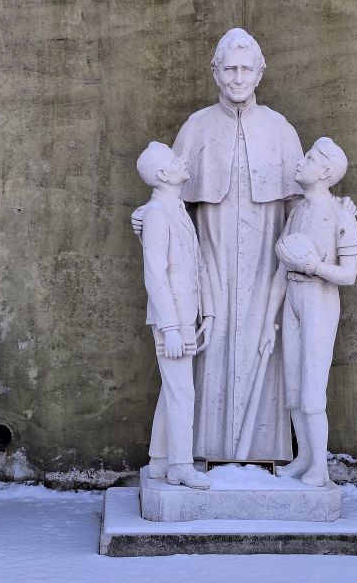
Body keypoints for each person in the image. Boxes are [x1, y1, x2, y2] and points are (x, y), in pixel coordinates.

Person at [133, 29, 357, 461]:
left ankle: (260, 454)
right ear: (215, 73)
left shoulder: (280, 129)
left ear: (260, 74)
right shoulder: (196, 127)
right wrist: (145, 216)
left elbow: (304, 200)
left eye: (246, 69)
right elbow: (168, 198)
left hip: (264, 259)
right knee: (208, 344)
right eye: (230, 69)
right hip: (211, 258)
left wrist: (339, 208)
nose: (238, 78)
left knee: (263, 344)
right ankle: (195, 453)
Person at [259, 138, 357, 486]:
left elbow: (348, 275)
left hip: (319, 300)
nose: (301, 162)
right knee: (293, 386)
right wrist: (268, 320)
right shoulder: (298, 211)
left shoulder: (341, 215)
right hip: (292, 299)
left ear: (327, 172)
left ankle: (320, 466)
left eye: (310, 158)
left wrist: (314, 265)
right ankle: (304, 457)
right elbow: (280, 270)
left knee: (312, 390)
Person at [136, 141, 214, 489]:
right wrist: (170, 327)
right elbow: (155, 273)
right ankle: (180, 465)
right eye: (173, 158)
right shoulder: (156, 214)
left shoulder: (175, 210)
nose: (183, 159)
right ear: (164, 174)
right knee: (182, 391)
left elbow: (196, 266)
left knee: (173, 388)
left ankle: (159, 460)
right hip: (172, 318)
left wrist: (206, 313)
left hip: (187, 315)